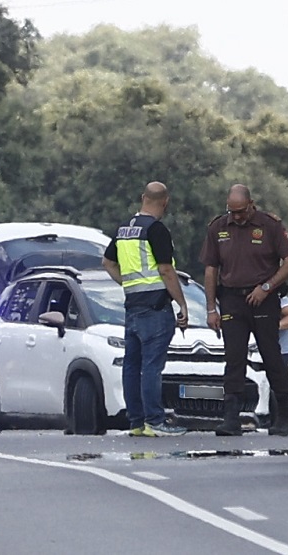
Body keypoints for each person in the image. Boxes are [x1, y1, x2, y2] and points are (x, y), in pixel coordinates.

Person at [201, 184, 288, 437]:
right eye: (232, 212)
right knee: (234, 359)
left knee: (271, 356)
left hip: (263, 299)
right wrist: (211, 308)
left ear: (251, 204)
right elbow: (211, 269)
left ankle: (285, 416)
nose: (237, 217)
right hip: (232, 300)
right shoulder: (218, 228)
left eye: (241, 212)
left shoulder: (270, 226)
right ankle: (231, 418)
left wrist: (267, 287)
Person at [102, 181, 190, 437]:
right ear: (166, 202)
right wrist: (182, 304)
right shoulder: (156, 229)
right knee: (152, 366)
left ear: (143, 198)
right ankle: (155, 421)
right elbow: (165, 269)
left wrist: (128, 283)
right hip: (155, 306)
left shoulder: (123, 230)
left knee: (132, 365)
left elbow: (107, 262)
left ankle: (137, 422)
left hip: (133, 305)